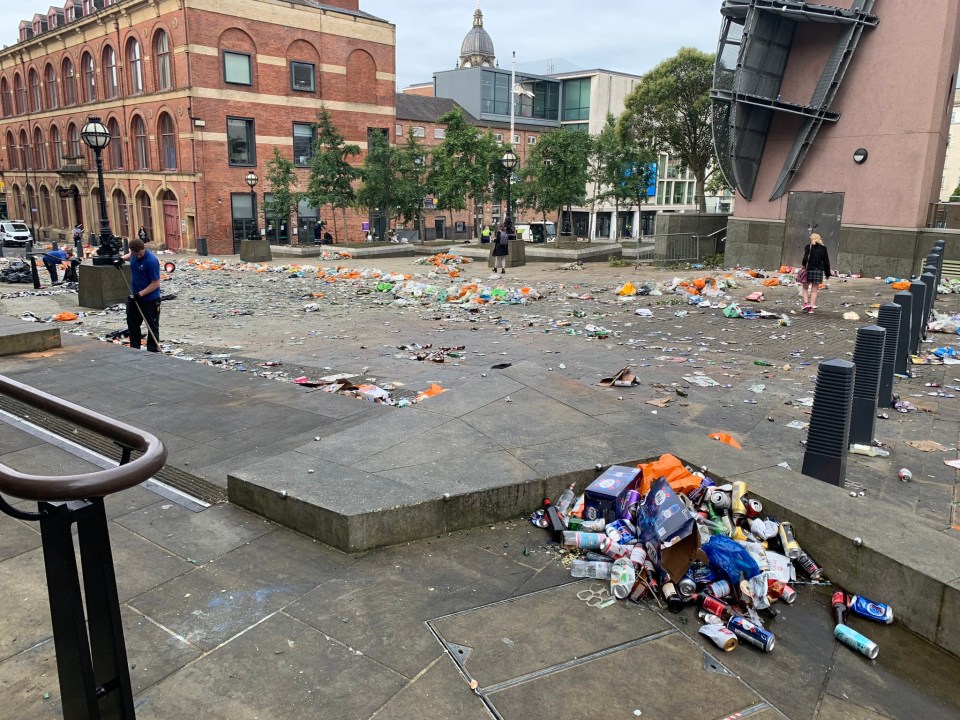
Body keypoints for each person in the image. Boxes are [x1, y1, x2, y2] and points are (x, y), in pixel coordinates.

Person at [121, 237, 162, 352]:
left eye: (140, 254)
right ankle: (134, 348)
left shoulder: (151, 261)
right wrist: (121, 259)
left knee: (152, 326)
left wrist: (140, 294)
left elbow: (155, 283)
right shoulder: (134, 254)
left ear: (145, 247)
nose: (138, 256)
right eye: (136, 254)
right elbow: (130, 255)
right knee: (132, 324)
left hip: (150, 299)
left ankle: (152, 350)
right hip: (135, 297)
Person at [801, 232, 831, 314]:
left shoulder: (808, 247)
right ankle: (811, 308)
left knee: (805, 288)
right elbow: (826, 262)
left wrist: (804, 265)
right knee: (814, 290)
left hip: (809, 270)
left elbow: (805, 259)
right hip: (818, 271)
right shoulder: (824, 248)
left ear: (811, 239)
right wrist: (827, 273)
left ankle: (806, 303)